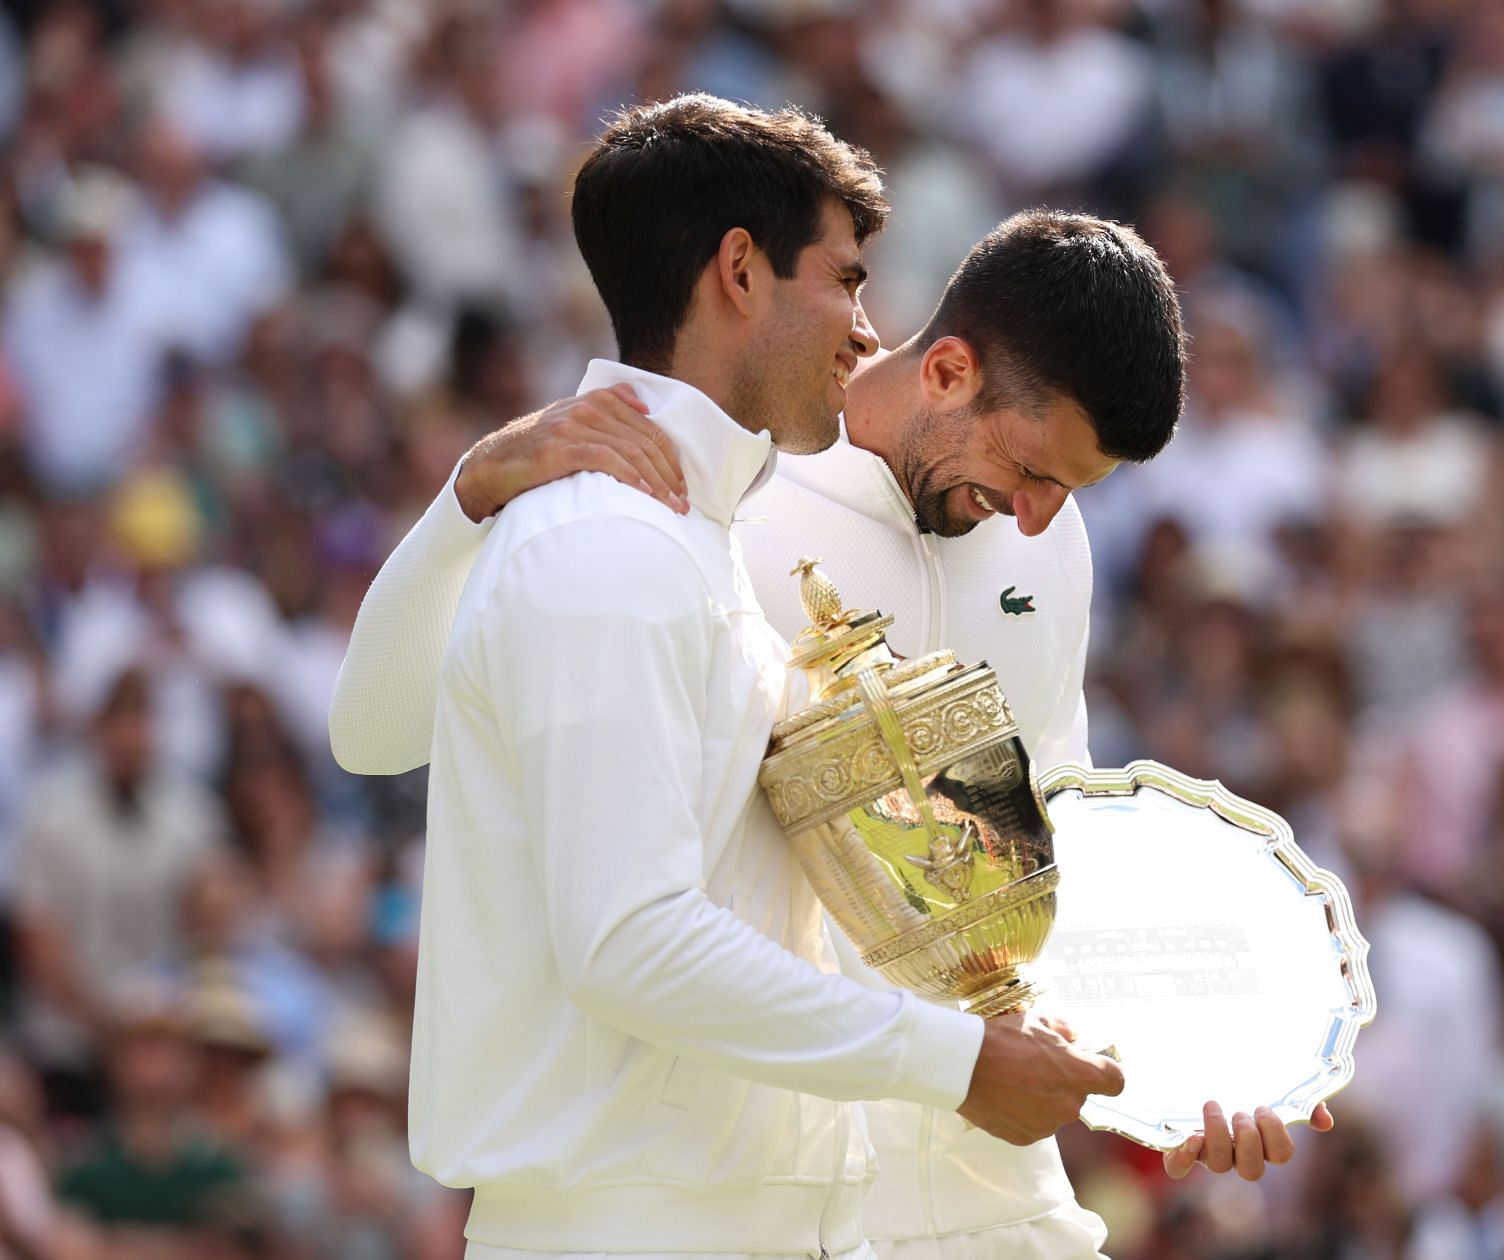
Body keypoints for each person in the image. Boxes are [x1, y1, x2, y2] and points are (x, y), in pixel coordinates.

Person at [333, 185, 1329, 1258]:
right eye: (1032, 472)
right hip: (761, 1201)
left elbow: (1043, 861)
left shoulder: (1050, 543)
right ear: (949, 370)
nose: (1042, 515)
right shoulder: (696, 496)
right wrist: (469, 494)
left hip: (998, 1193)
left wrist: (1192, 1065)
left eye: (1072, 490)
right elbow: (377, 736)